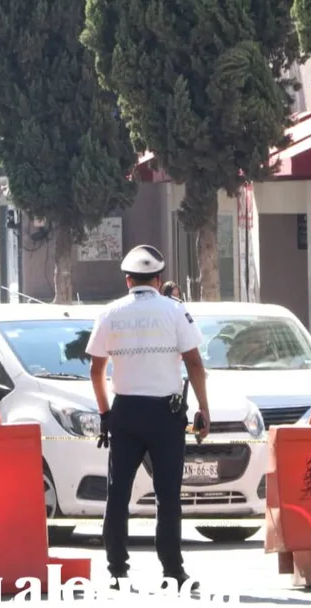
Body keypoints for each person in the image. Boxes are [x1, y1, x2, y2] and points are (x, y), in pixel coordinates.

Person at [85, 245, 209, 590]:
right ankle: (173, 571)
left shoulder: (110, 312)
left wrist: (105, 412)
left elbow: (96, 369)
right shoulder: (174, 310)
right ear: (158, 279)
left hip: (124, 411)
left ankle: (117, 571)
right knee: (168, 495)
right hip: (165, 414)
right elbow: (195, 362)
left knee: (118, 492)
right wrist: (203, 408)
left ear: (128, 280)